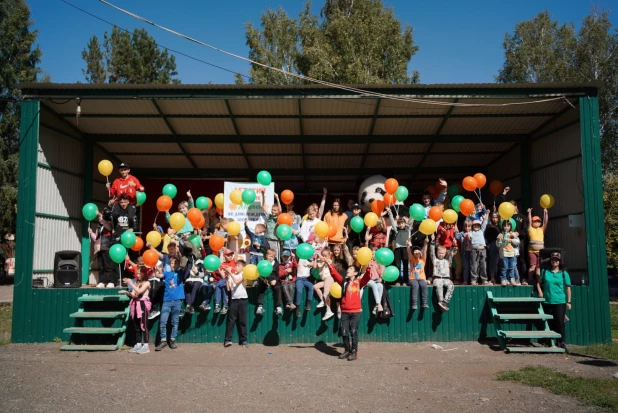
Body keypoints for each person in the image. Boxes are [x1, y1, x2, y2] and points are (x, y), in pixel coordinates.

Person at [327, 261, 371, 361]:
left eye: (350, 269)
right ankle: (347, 351)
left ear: (355, 273)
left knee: (353, 331)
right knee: (344, 332)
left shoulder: (359, 282)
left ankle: (354, 352)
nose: (348, 270)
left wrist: (368, 267)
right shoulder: (344, 281)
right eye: (348, 269)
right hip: (345, 311)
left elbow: (367, 276)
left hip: (355, 311)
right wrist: (330, 264)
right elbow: (334, 273)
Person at [537, 251, 571, 351]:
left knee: (560, 322)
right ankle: (550, 341)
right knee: (549, 322)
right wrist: (540, 291)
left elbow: (568, 288)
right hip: (547, 301)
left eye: (557, 260)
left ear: (560, 261)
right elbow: (539, 283)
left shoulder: (564, 274)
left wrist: (568, 302)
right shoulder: (545, 271)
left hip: (560, 301)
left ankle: (561, 342)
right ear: (550, 260)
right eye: (553, 259)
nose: (555, 261)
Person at [155, 256, 184, 351]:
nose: (174, 265)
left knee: (175, 322)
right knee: (163, 321)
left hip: (177, 301)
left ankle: (172, 340)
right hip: (167, 301)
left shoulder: (180, 273)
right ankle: (163, 340)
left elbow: (185, 264)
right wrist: (155, 271)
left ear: (178, 265)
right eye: (172, 263)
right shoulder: (167, 273)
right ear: (169, 264)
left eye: (176, 263)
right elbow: (160, 275)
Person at [123, 266, 151, 354]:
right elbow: (134, 295)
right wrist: (126, 292)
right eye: (137, 273)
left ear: (144, 273)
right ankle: (138, 343)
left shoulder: (147, 282)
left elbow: (139, 291)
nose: (138, 275)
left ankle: (146, 345)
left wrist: (131, 283)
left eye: (140, 273)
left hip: (142, 304)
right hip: (135, 304)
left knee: (144, 325)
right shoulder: (137, 282)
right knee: (136, 325)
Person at [224, 259, 249, 348]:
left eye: (239, 266)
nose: (236, 267)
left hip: (243, 299)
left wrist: (230, 273)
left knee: (242, 320)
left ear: (243, 267)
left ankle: (244, 340)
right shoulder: (232, 275)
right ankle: (228, 340)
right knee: (231, 320)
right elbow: (229, 288)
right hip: (234, 299)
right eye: (236, 265)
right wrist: (227, 277)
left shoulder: (244, 274)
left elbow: (238, 281)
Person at [429, 237, 454, 312]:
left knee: (451, 285)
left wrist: (453, 245)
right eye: (439, 253)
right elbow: (431, 252)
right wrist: (432, 242)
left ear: (445, 253)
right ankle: (441, 300)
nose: (440, 254)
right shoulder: (435, 260)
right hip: (437, 278)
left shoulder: (447, 261)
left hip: (446, 278)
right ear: (437, 253)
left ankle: (445, 301)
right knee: (439, 286)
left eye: (442, 253)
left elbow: (451, 254)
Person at [387, 209, 411, 285]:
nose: (400, 225)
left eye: (402, 223)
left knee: (405, 264)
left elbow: (411, 221)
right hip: (397, 248)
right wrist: (390, 213)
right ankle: (398, 280)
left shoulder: (408, 229)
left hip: (405, 248)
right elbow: (392, 222)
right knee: (397, 265)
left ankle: (405, 280)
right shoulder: (396, 230)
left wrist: (411, 215)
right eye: (399, 224)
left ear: (405, 223)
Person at [256, 249, 282, 316]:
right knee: (261, 287)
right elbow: (258, 274)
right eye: (269, 256)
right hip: (265, 279)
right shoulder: (262, 263)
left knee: (278, 287)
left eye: (272, 257)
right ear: (266, 256)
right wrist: (263, 280)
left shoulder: (276, 264)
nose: (270, 258)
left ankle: (278, 307)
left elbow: (278, 275)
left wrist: (275, 280)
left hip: (273, 279)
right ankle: (260, 306)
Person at [469, 212, 491, 286]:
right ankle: (474, 280)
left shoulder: (481, 231)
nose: (476, 226)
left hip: (482, 250)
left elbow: (485, 222)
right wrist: (469, 237)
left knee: (483, 265)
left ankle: (484, 280)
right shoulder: (471, 232)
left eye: (478, 225)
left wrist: (487, 214)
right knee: (474, 265)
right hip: (474, 250)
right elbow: (469, 236)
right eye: (475, 225)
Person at [497, 219, 521, 286]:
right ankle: (503, 279)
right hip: (504, 253)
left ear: (511, 227)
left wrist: (511, 240)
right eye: (505, 226)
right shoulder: (501, 234)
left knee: (512, 267)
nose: (506, 227)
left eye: (508, 226)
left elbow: (518, 242)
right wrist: (499, 239)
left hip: (512, 253)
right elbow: (498, 245)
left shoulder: (512, 234)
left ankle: (512, 279)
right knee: (504, 267)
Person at [528, 207, 549, 283]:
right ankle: (530, 279)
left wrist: (546, 213)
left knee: (538, 267)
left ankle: (538, 280)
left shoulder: (541, 229)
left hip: (540, 251)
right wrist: (529, 213)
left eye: (538, 221)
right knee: (532, 266)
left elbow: (546, 222)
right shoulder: (531, 229)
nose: (537, 223)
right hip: (532, 251)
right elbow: (529, 221)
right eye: (535, 221)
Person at [407, 238, 429, 310]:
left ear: (420, 253)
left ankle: (424, 303)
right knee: (415, 286)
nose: (416, 253)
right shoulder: (412, 259)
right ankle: (414, 304)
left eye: (418, 252)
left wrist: (425, 243)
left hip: (422, 278)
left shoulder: (423, 260)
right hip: (413, 278)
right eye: (415, 252)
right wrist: (408, 246)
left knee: (424, 285)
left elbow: (425, 251)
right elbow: (409, 252)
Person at [213, 248, 237, 315]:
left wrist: (237, 242)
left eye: (231, 255)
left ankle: (218, 304)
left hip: (231, 279)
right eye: (228, 255)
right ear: (224, 256)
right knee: (222, 286)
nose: (230, 256)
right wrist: (221, 272)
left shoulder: (233, 262)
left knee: (219, 284)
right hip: (224, 280)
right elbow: (223, 276)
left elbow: (236, 252)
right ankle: (223, 306)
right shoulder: (222, 264)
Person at [314, 249, 335, 320]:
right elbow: (314, 267)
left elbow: (325, 260)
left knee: (326, 294)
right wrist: (316, 258)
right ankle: (323, 301)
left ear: (329, 256)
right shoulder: (320, 262)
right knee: (315, 286)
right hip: (324, 280)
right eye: (323, 255)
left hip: (329, 278)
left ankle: (329, 311)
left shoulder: (329, 261)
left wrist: (319, 255)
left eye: (325, 255)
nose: (324, 257)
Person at [263, 192, 282, 260]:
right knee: (267, 256)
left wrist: (277, 198)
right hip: (268, 239)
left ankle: (275, 269)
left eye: (275, 210)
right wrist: (263, 196)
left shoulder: (278, 218)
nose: (273, 211)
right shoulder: (269, 216)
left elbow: (280, 211)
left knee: (275, 257)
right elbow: (264, 207)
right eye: (272, 210)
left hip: (275, 240)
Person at [454, 220, 473, 285]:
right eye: (466, 226)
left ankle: (473, 280)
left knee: (473, 266)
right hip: (465, 253)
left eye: (469, 226)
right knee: (466, 267)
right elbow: (457, 237)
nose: (467, 228)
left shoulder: (474, 233)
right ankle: (465, 280)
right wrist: (456, 231)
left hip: (473, 253)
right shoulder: (462, 233)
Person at [485, 212, 501, 283]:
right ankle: (492, 277)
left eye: (496, 217)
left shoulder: (501, 225)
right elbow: (487, 236)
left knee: (501, 261)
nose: (495, 219)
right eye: (493, 217)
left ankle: (500, 277)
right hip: (493, 244)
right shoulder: (489, 226)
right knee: (493, 261)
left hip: (502, 244)